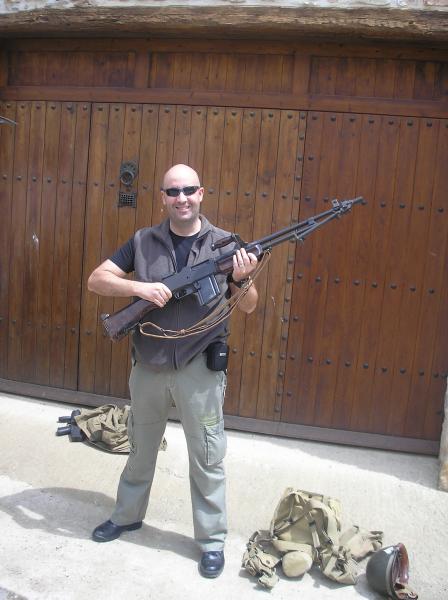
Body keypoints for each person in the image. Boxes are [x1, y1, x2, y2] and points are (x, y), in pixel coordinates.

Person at [87, 164, 258, 578]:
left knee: (207, 456)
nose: (181, 198)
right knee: (141, 447)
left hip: (200, 368)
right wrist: (138, 288)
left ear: (202, 194)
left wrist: (242, 278)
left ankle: (211, 541)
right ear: (163, 197)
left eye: (188, 190)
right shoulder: (142, 241)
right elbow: (97, 280)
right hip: (149, 366)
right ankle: (127, 516)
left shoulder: (225, 244)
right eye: (173, 191)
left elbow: (250, 306)